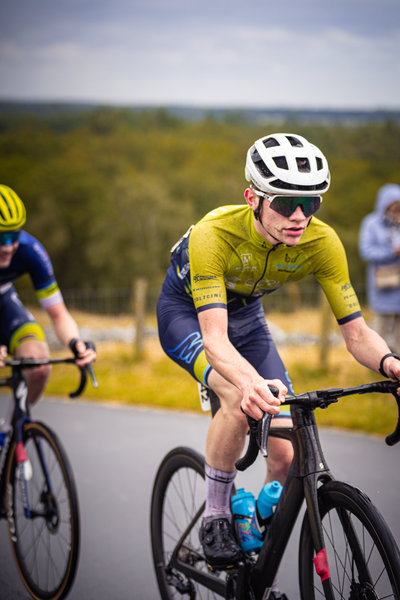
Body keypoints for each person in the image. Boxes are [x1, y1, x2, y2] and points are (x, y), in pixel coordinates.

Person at [157, 133, 400, 598]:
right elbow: (214, 339)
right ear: (253, 198)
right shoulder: (215, 234)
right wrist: (248, 383)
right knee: (236, 396)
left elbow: (356, 333)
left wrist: (390, 363)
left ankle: (253, 534)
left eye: (310, 202)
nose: (299, 217)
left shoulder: (322, 242)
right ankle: (215, 516)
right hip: (187, 313)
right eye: (286, 202)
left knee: (286, 455)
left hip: (246, 316)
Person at [0, 184, 96, 417]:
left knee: (39, 365)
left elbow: (59, 315)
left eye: (14, 235)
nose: (8, 246)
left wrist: (76, 343)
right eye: (2, 237)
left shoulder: (30, 251)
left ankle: (14, 433)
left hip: (4, 302)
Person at [359, 184, 400, 355]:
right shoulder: (371, 223)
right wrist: (392, 252)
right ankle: (377, 361)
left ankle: (397, 366)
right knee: (381, 328)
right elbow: (366, 251)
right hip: (382, 282)